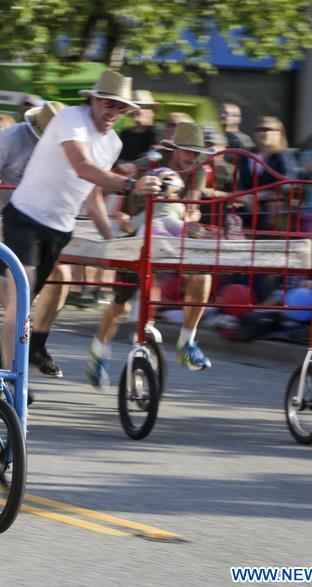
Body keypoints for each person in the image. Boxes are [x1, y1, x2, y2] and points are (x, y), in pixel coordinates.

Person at [0, 70, 161, 395]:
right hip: (25, 216)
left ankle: (31, 344)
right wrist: (131, 184)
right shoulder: (71, 118)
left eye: (121, 107)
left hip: (60, 228)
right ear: (94, 100)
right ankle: (7, 378)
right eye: (108, 103)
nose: (114, 111)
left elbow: (93, 194)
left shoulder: (113, 143)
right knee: (22, 294)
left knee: (47, 291)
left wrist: (113, 244)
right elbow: (82, 167)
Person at [87, 122, 216, 388]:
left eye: (196, 153)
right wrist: (123, 210)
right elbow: (117, 183)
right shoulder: (152, 161)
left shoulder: (198, 171)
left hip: (172, 232)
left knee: (202, 276)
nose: (192, 157)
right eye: (187, 151)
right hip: (138, 231)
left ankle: (187, 342)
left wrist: (192, 221)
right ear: (175, 149)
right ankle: (99, 351)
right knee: (121, 305)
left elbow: (192, 208)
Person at [0, 100, 70, 377]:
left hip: (40, 222)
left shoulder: (71, 146)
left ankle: (37, 345)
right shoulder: (10, 139)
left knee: (61, 277)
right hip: (1, 220)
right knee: (20, 292)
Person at [118, 90, 158, 162]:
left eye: (143, 106)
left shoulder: (158, 134)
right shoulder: (125, 134)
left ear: (152, 111)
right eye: (134, 106)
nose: (137, 110)